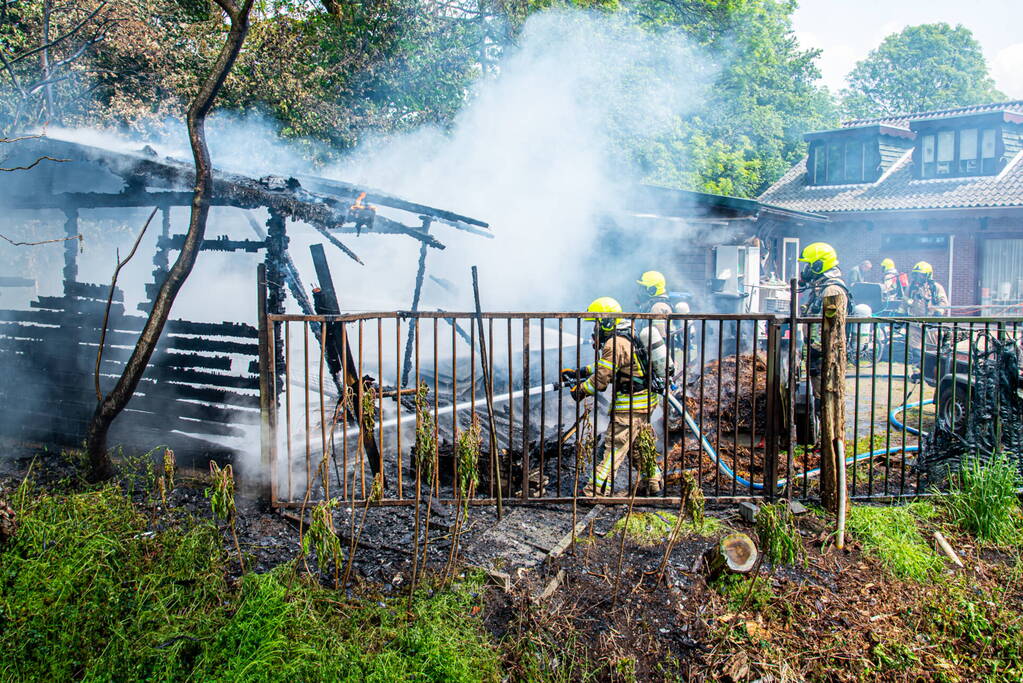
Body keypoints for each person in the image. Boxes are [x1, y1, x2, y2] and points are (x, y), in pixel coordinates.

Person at [562, 296, 663, 496]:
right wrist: (582, 371)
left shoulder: (614, 343)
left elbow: (600, 380)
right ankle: (653, 484)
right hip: (645, 402)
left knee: (614, 447)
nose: (595, 329)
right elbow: (610, 364)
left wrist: (580, 391)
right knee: (639, 446)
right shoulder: (628, 335)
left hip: (630, 406)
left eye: (597, 323)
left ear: (607, 321)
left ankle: (596, 490)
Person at [798, 242, 850, 397]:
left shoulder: (831, 291)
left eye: (808, 266)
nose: (805, 270)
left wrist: (816, 351)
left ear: (819, 265)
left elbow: (831, 327)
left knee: (826, 397)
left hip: (825, 356)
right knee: (818, 395)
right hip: (818, 355)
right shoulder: (820, 288)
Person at [906, 261, 949, 360]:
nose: (918, 277)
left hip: (931, 324)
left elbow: (943, 302)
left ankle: (929, 367)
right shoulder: (911, 288)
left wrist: (937, 314)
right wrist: (900, 316)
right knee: (915, 349)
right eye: (916, 275)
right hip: (915, 324)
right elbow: (905, 303)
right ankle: (917, 367)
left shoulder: (936, 288)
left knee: (932, 349)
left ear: (928, 275)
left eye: (921, 275)